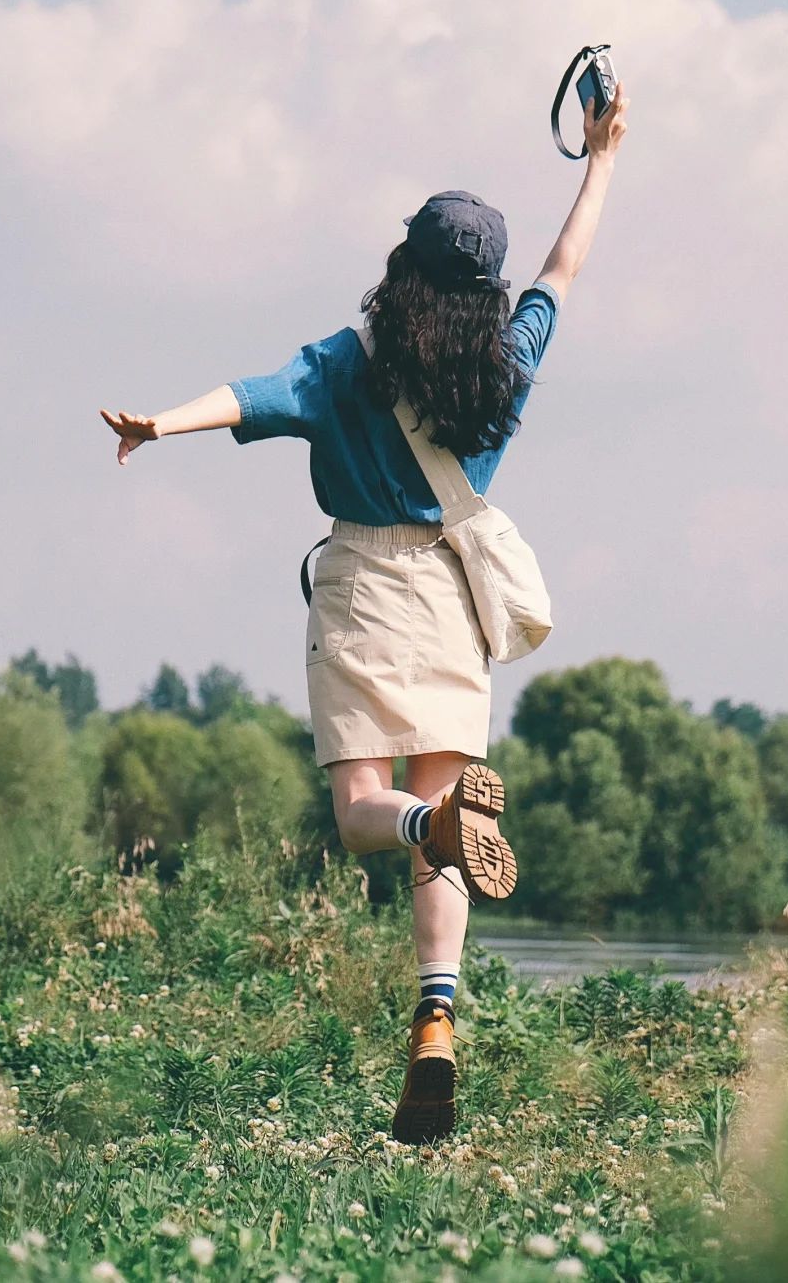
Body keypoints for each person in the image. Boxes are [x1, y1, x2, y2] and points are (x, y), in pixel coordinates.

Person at [101, 86, 629, 1143]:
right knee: (448, 823)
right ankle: (435, 1010)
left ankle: (434, 827)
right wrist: (602, 157)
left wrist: (161, 423)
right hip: (450, 598)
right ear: (486, 287)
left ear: (405, 268)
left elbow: (253, 393)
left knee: (364, 815)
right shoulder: (506, 365)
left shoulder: (351, 361)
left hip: (363, 591)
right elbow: (563, 271)